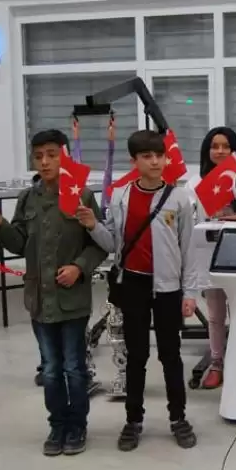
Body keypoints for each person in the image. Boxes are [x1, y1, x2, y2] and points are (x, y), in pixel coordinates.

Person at [0, 129, 107, 457]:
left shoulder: (80, 195)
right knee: (50, 369)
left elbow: (99, 243)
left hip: (72, 299)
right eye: (38, 156)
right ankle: (57, 425)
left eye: (51, 155)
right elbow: (21, 244)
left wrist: (78, 267)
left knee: (74, 368)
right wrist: (0, 226)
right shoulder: (28, 198)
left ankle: (77, 425)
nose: (45, 162)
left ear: (64, 156)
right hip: (39, 299)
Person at [82, 130, 199, 452]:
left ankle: (178, 418)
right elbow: (113, 244)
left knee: (171, 355)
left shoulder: (179, 199)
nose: (155, 162)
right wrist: (93, 226)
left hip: (168, 288)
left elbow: (189, 250)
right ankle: (133, 420)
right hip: (132, 283)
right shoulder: (120, 196)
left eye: (159, 156)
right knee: (136, 356)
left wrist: (190, 292)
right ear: (134, 161)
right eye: (147, 156)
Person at [187, 126, 236, 390]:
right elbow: (190, 222)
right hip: (209, 254)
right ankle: (216, 363)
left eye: (226, 146)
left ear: (234, 150)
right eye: (215, 146)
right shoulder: (195, 183)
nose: (220, 151)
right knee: (215, 315)